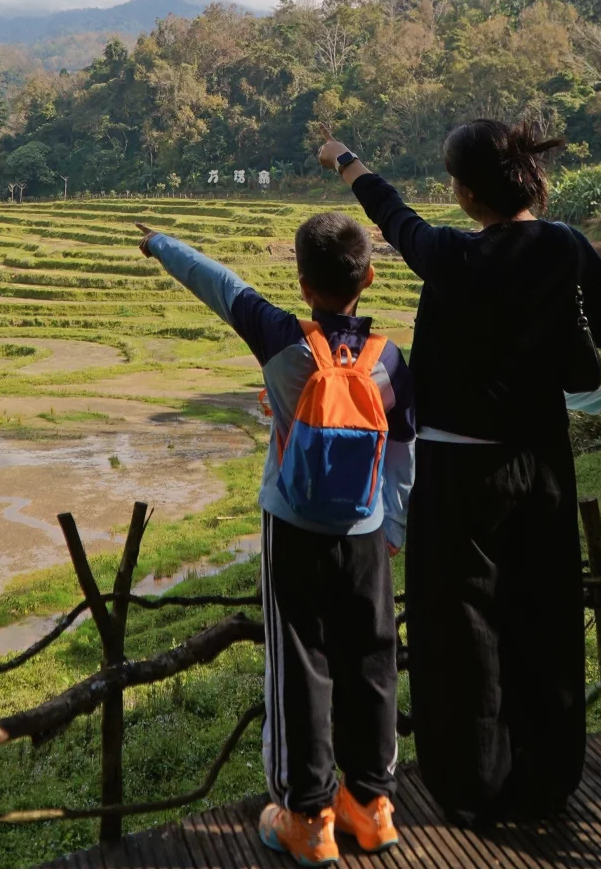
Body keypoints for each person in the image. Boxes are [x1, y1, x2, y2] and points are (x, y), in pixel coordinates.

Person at [317, 120, 601, 826]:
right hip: (541, 463)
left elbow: (391, 213)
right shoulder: (568, 246)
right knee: (542, 611)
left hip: (457, 468)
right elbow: (600, 333)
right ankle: (547, 778)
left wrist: (344, 158)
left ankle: (474, 784)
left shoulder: (450, 253)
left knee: (462, 625)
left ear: (468, 191)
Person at [137, 211, 415, 864]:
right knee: (373, 659)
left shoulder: (283, 340)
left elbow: (218, 283)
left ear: (301, 280)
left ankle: (306, 815)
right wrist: (394, 523)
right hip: (368, 531)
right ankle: (372, 806)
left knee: (301, 666)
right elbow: (404, 450)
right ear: (368, 277)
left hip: (293, 528)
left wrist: (160, 244)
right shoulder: (391, 360)